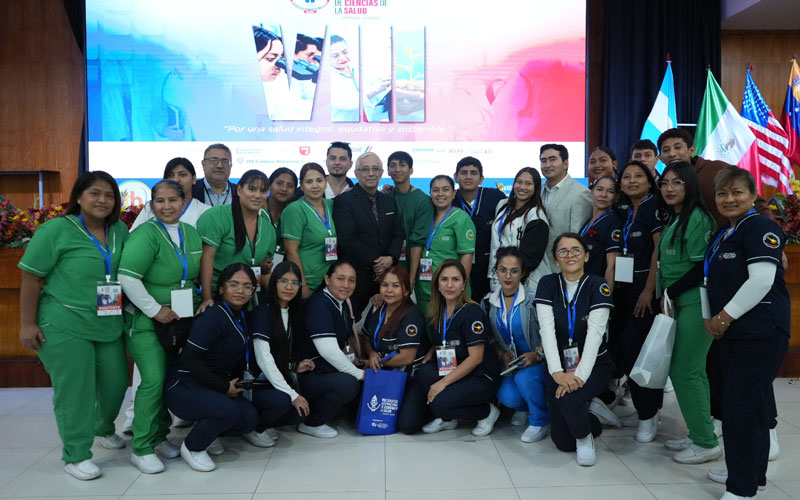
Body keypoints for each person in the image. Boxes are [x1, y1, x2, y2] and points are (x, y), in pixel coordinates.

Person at [18, 171, 129, 480]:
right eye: (95, 193)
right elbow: (30, 276)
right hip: (64, 321)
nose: (102, 200)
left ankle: (102, 427)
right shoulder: (56, 230)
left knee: (116, 383)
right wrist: (27, 324)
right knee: (75, 392)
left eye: (109, 195)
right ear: (79, 196)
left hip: (108, 320)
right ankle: (76, 454)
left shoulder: (120, 230)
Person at [704, 167, 789, 500]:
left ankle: (741, 488)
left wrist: (722, 318)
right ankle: (752, 471)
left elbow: (761, 281)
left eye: (737, 192)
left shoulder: (760, 227)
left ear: (753, 195)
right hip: (736, 332)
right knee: (749, 405)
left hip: (761, 330)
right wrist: (712, 320)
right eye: (722, 193)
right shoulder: (726, 232)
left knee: (740, 407)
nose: (729, 199)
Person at [119, 180, 203, 473]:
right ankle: (141, 447)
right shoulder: (145, 235)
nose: (167, 206)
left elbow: (191, 276)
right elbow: (127, 277)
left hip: (179, 322)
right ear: (151, 205)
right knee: (152, 379)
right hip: (145, 323)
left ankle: (158, 436)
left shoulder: (190, 233)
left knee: (167, 379)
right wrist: (155, 310)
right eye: (160, 201)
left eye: (173, 200)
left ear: (183, 201)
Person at [165, 264, 278, 472]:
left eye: (247, 286)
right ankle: (192, 447)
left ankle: (210, 432)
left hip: (214, 385)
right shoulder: (212, 316)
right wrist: (223, 387)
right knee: (228, 411)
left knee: (249, 418)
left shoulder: (243, 316)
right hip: (185, 386)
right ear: (221, 289)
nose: (240, 291)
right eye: (233, 284)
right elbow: (190, 358)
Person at [655, 162, 721, 464]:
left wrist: (670, 292)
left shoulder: (697, 218)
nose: (669, 188)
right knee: (694, 372)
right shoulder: (677, 217)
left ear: (690, 185)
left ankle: (706, 442)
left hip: (695, 302)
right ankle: (699, 431)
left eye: (676, 182)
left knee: (685, 371)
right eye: (665, 183)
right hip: (679, 302)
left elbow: (700, 268)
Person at [534, 233, 619, 466]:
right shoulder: (547, 284)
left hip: (594, 365)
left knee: (570, 401)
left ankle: (585, 437)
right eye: (563, 251)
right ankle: (590, 413)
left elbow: (595, 335)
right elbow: (547, 331)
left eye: (576, 250)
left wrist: (578, 378)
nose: (569, 255)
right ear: (555, 259)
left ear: (586, 256)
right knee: (562, 442)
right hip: (558, 365)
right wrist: (557, 373)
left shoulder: (597, 284)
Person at [398, 260, 502, 436]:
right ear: (437, 284)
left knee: (440, 403)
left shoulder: (472, 312)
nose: (450, 285)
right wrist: (432, 352)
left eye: (455, 279)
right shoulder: (438, 311)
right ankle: (449, 418)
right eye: (444, 279)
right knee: (423, 372)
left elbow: (476, 358)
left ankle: (487, 412)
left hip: (480, 376)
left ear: (463, 284)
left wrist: (442, 383)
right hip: (455, 369)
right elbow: (444, 340)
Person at [609, 160, 667, 442]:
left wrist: (648, 290)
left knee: (637, 351)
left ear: (649, 180)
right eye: (627, 177)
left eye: (638, 176)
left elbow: (658, 251)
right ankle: (646, 406)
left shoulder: (655, 206)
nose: (632, 181)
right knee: (622, 349)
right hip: (622, 291)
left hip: (644, 291)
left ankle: (649, 413)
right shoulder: (621, 209)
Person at [483, 247, 549, 443]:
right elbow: (490, 337)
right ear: (496, 271)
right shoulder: (488, 302)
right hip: (512, 366)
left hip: (540, 361)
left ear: (523, 273)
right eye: (502, 270)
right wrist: (501, 353)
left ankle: (540, 420)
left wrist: (537, 354)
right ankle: (527, 407)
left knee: (525, 380)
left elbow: (553, 333)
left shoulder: (535, 299)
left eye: (514, 271)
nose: (508, 276)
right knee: (507, 396)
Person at [248, 261, 314, 445]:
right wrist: (293, 395)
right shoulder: (263, 312)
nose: (289, 287)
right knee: (285, 401)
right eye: (284, 281)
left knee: (299, 414)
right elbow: (264, 359)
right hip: (257, 382)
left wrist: (294, 366)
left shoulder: (294, 313)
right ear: (274, 282)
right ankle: (255, 426)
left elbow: (283, 354)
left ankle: (267, 422)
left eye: (294, 283)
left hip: (277, 379)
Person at [296, 261, 365, 438]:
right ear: (327, 279)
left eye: (351, 280)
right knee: (349, 383)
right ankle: (312, 422)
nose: (346, 285)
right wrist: (359, 374)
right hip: (309, 372)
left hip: (327, 368)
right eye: (340, 279)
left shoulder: (344, 303)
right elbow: (328, 351)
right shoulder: (319, 305)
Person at [333, 152, 404, 316]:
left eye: (375, 169)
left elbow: (397, 234)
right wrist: (377, 263)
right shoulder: (344, 200)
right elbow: (348, 239)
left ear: (381, 172)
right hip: (356, 277)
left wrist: (391, 258)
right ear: (356, 173)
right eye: (365, 169)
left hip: (386, 277)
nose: (371, 173)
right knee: (350, 323)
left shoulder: (389, 200)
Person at [197, 170, 276, 311]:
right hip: (217, 297)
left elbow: (263, 270)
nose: (257, 195)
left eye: (263, 191)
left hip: (248, 298)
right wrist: (207, 297)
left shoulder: (267, 227)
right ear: (239, 190)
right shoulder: (218, 216)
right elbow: (206, 258)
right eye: (252, 189)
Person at [416, 175, 476, 317]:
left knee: (448, 331)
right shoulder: (426, 216)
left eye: (446, 189)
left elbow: (467, 255)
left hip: (450, 289)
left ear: (454, 193)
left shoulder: (460, 218)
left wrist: (460, 286)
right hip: (425, 287)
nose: (440, 194)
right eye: (435, 190)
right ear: (430, 193)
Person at [488, 167, 550, 295]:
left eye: (528, 184)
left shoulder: (536, 215)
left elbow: (531, 258)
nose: (522, 187)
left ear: (536, 187)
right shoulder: (502, 205)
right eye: (519, 182)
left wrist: (512, 277)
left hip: (525, 283)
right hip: (498, 276)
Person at [452, 156, 507, 301]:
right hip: (458, 265)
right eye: (464, 173)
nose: (468, 177)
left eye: (473, 173)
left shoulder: (495, 197)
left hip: (488, 267)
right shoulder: (449, 199)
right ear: (455, 177)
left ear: (481, 178)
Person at [282, 163, 337, 298]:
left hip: (329, 280)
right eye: (309, 182)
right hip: (308, 281)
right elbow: (291, 251)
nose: (315, 186)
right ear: (301, 185)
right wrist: (302, 284)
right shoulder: (295, 210)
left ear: (326, 181)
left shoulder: (332, 205)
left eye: (319, 180)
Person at [539, 144, 593, 270]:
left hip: (562, 268)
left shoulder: (580, 193)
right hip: (537, 268)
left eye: (553, 159)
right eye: (543, 160)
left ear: (565, 163)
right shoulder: (537, 190)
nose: (547, 165)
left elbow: (576, 238)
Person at [361, 266, 426, 371]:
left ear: (405, 291)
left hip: (406, 374)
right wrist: (372, 354)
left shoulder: (411, 316)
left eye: (396, 286)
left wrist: (375, 363)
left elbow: (406, 358)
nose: (389, 290)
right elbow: (367, 339)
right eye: (385, 285)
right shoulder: (378, 308)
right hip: (381, 370)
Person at [387, 151, 434, 289]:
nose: (397, 169)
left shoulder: (423, 201)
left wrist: (412, 278)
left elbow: (417, 242)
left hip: (414, 268)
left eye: (402, 165)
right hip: (389, 268)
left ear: (411, 170)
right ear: (388, 171)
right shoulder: (385, 197)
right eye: (393, 166)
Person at [131, 158, 209, 230]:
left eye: (182, 175)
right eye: (170, 175)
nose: (176, 180)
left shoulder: (205, 211)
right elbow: (133, 235)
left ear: (194, 179)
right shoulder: (150, 207)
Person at [581, 175, 623, 289]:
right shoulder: (587, 221)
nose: (603, 195)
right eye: (599, 189)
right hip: (584, 284)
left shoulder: (613, 222)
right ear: (591, 192)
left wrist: (605, 299)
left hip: (598, 287)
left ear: (616, 197)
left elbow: (612, 265)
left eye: (610, 191)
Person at [266, 167, 298, 267]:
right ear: (269, 185)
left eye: (290, 186)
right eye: (279, 183)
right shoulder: (257, 210)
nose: (284, 189)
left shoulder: (294, 214)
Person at [329, 35, 359, 122]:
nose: (342, 58)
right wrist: (376, 90)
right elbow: (348, 103)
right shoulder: (326, 79)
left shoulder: (357, 69)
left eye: (345, 52)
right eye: (335, 56)